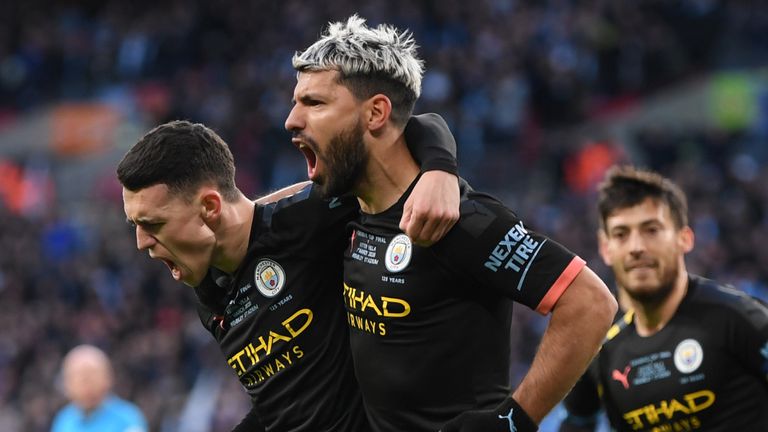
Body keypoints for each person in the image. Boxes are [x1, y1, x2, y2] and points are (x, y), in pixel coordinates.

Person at [285, 15, 618, 432]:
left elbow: (590, 304)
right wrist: (439, 156)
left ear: (375, 113)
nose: (292, 120)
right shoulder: (344, 209)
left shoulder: (461, 222)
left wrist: (514, 420)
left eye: (314, 103)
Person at [116, 116, 460, 431]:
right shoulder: (211, 297)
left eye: (152, 224)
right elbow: (276, 405)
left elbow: (415, 127)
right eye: (135, 225)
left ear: (209, 207)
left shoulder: (303, 222)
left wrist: (439, 171)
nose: (140, 243)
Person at [559, 165, 768, 432]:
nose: (637, 247)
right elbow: (577, 422)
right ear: (606, 248)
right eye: (621, 234)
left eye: (651, 230)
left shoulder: (739, 318)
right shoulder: (601, 350)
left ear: (684, 238)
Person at [51, 345, 147, 432]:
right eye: (77, 376)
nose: (85, 381)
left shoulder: (128, 417)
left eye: (91, 374)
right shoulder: (64, 419)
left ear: (108, 378)